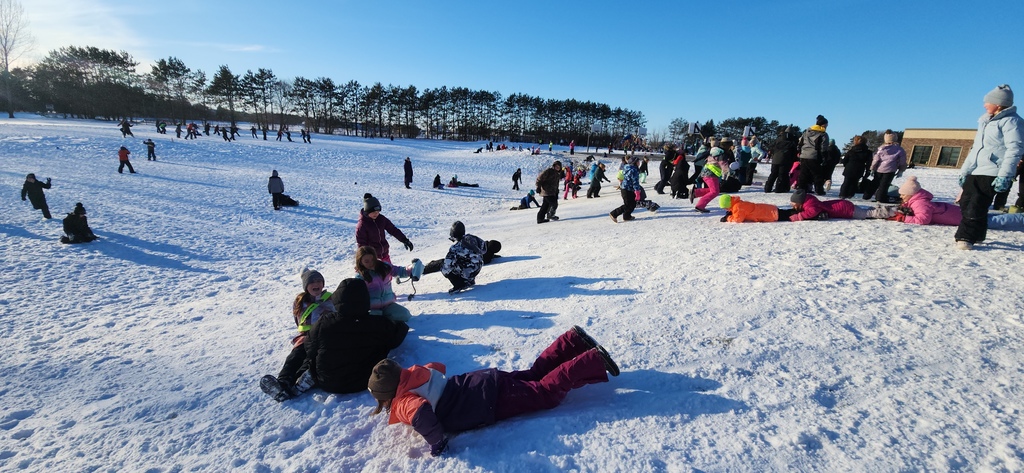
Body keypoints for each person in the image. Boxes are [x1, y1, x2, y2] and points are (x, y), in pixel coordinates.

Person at [367, 326, 618, 456]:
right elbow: (438, 368)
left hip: (488, 400)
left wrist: (437, 443)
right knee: (533, 375)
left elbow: (421, 414)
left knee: (544, 393)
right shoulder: (414, 374)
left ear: (387, 395)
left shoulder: (403, 401)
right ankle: (571, 341)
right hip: (484, 380)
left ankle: (591, 361)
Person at [260, 277, 410, 402]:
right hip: (366, 379)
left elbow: (310, 349)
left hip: (327, 381)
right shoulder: (378, 323)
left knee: (307, 352)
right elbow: (398, 335)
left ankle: (292, 380)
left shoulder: (325, 322)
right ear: (365, 299)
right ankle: (299, 379)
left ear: (337, 299)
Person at [955, 84, 1023, 249]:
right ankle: (978, 233)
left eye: (988, 102)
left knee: (976, 204)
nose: (984, 105)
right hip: (977, 169)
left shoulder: (1012, 121)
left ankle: (966, 237)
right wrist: (965, 171)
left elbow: (1015, 148)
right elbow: (975, 149)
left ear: (999, 104)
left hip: (993, 170)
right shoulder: (985, 121)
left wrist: (1005, 174)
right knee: (965, 202)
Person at [355, 246, 415, 322]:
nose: (371, 263)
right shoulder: (360, 277)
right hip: (372, 308)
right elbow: (357, 295)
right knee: (374, 323)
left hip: (388, 304)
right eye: (367, 261)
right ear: (360, 262)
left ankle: (385, 319)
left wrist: (413, 268)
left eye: (372, 260)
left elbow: (400, 271)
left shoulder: (385, 267)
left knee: (405, 315)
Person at [356, 193, 413, 263]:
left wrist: (404, 240)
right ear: (367, 211)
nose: (376, 214)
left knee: (389, 272)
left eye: (378, 212)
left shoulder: (381, 219)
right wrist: (365, 259)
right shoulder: (362, 225)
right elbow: (361, 244)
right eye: (373, 212)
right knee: (376, 274)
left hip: (385, 255)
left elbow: (393, 229)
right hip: (373, 258)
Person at [888, 176, 962, 226]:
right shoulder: (916, 201)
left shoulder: (921, 203)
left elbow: (923, 220)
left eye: (903, 195)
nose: (901, 196)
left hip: (962, 216)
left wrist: (904, 218)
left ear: (911, 194)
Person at [866, 130, 907, 203]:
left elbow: (876, 159)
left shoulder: (881, 148)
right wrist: (901, 170)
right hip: (890, 170)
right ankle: (880, 198)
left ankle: (867, 195)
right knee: (884, 185)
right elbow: (902, 161)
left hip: (879, 169)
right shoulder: (900, 150)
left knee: (875, 182)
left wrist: (872, 168)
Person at [797, 115, 830, 195]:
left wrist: (799, 151)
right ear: (823, 125)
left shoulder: (806, 132)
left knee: (803, 174)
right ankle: (819, 190)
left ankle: (801, 189)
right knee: (817, 174)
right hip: (814, 156)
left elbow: (800, 143)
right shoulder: (823, 134)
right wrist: (825, 157)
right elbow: (823, 147)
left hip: (804, 155)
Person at [690, 147, 725, 213]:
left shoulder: (710, 156)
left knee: (714, 190)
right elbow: (724, 166)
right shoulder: (720, 157)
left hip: (706, 175)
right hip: (711, 175)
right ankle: (700, 206)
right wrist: (732, 171)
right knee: (714, 191)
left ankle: (696, 193)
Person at [766, 128, 798, 193]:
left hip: (775, 159)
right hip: (785, 160)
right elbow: (794, 152)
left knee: (773, 174)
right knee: (782, 175)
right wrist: (794, 159)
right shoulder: (791, 142)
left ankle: (767, 188)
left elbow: (771, 148)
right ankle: (779, 188)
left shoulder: (778, 140)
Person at [610, 156, 641, 223]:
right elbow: (635, 182)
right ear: (634, 162)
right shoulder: (633, 170)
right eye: (638, 161)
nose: (639, 162)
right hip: (627, 189)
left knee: (632, 204)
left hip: (627, 188)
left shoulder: (628, 167)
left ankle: (627, 216)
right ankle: (614, 213)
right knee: (628, 205)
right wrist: (637, 191)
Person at [718, 195, 788, 223]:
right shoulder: (738, 203)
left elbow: (738, 219)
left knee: (789, 216)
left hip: (770, 214)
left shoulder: (737, 207)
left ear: (728, 204)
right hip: (769, 209)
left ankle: (798, 215)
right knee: (786, 213)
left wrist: (728, 218)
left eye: (725, 208)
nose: (726, 210)